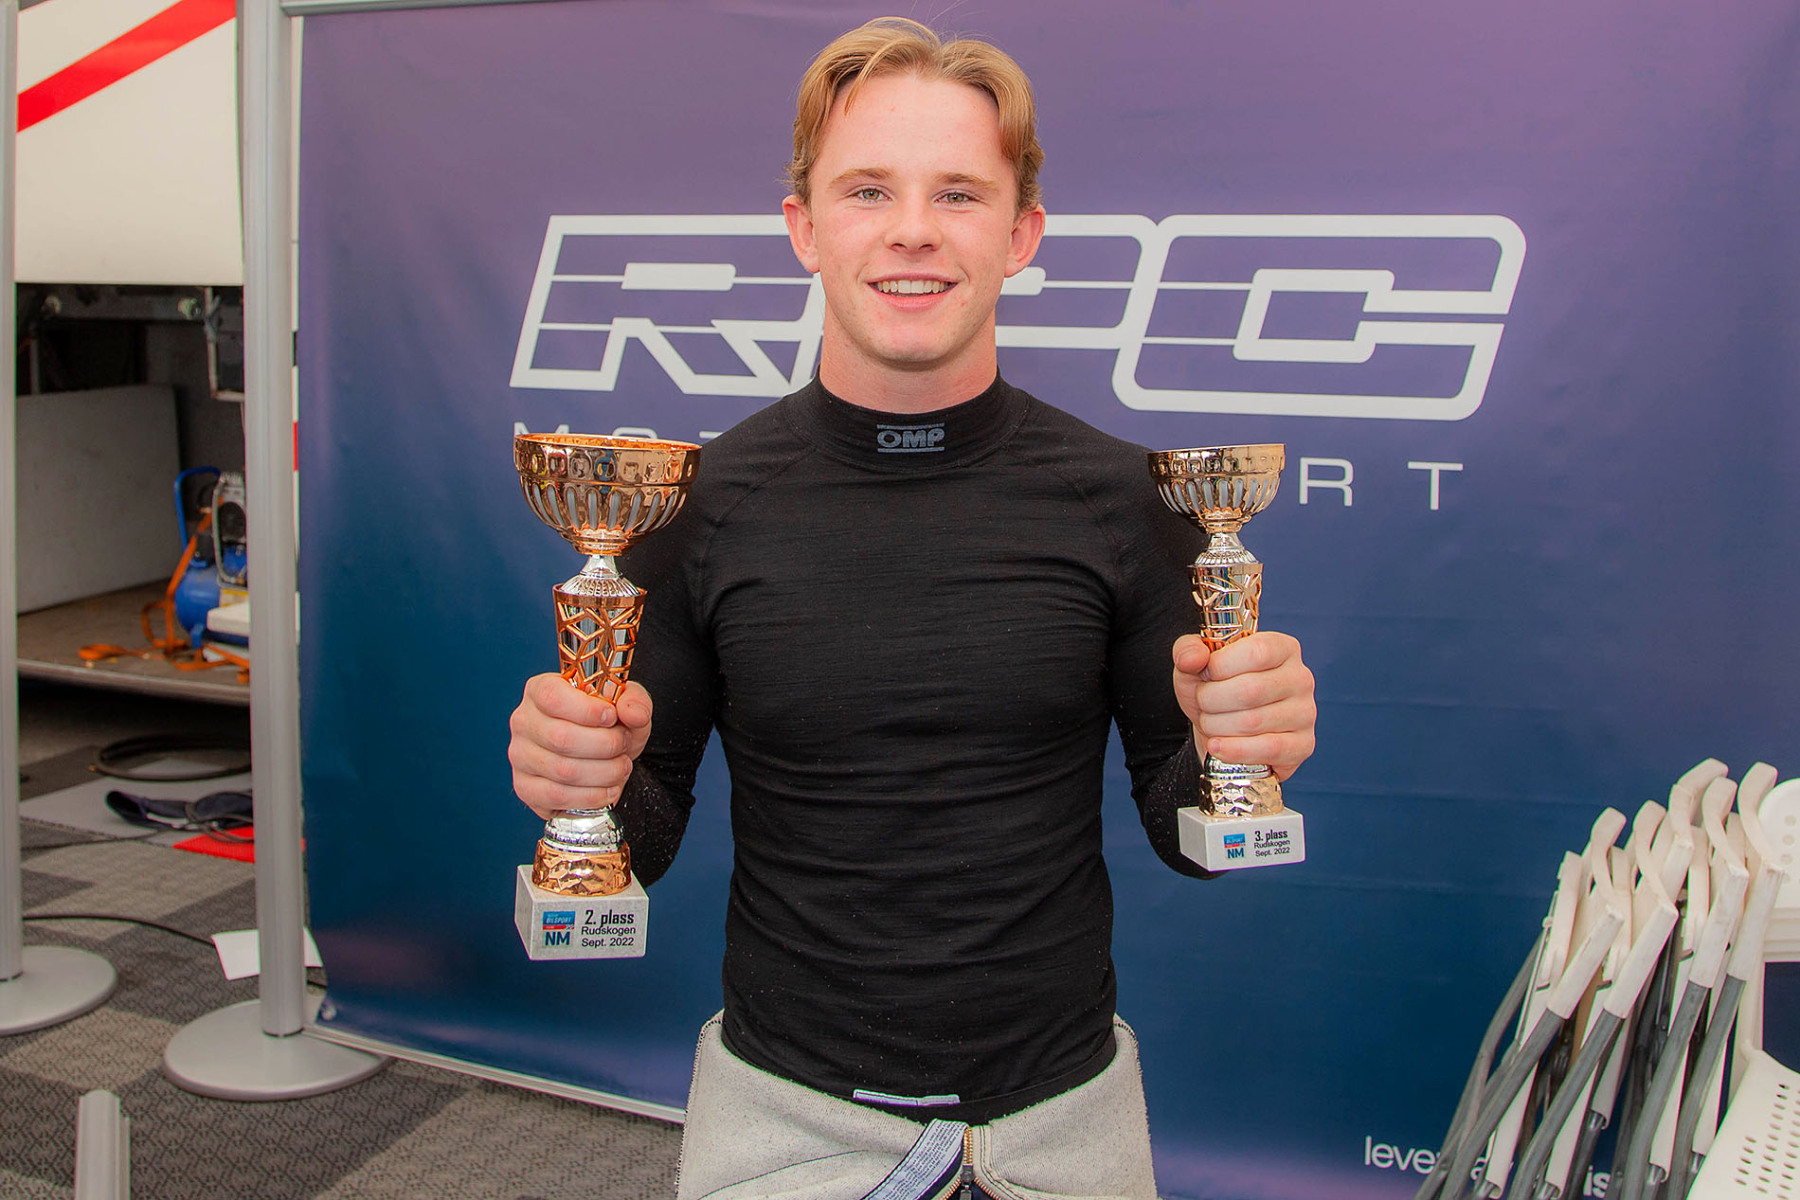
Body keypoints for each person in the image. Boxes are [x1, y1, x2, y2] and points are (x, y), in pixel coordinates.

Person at [509, 17, 1317, 1199]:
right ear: (805, 228)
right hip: (783, 1128)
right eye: (868, 190)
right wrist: (581, 784)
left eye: (960, 194)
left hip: (1065, 1127)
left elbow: (1183, 833)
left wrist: (1236, 751)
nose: (913, 231)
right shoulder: (694, 506)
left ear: (1021, 234)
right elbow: (648, 834)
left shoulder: (1130, 504)